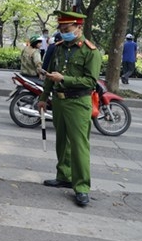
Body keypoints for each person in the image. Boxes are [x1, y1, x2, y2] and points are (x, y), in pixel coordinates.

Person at [37, 11, 102, 207]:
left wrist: (64, 79)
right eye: (61, 29)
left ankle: (82, 187)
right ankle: (64, 175)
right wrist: (43, 97)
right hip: (59, 101)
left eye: (67, 29)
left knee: (79, 145)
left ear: (78, 27)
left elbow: (91, 81)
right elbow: (50, 74)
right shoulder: (58, 48)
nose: (63, 32)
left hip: (78, 103)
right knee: (62, 141)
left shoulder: (90, 51)